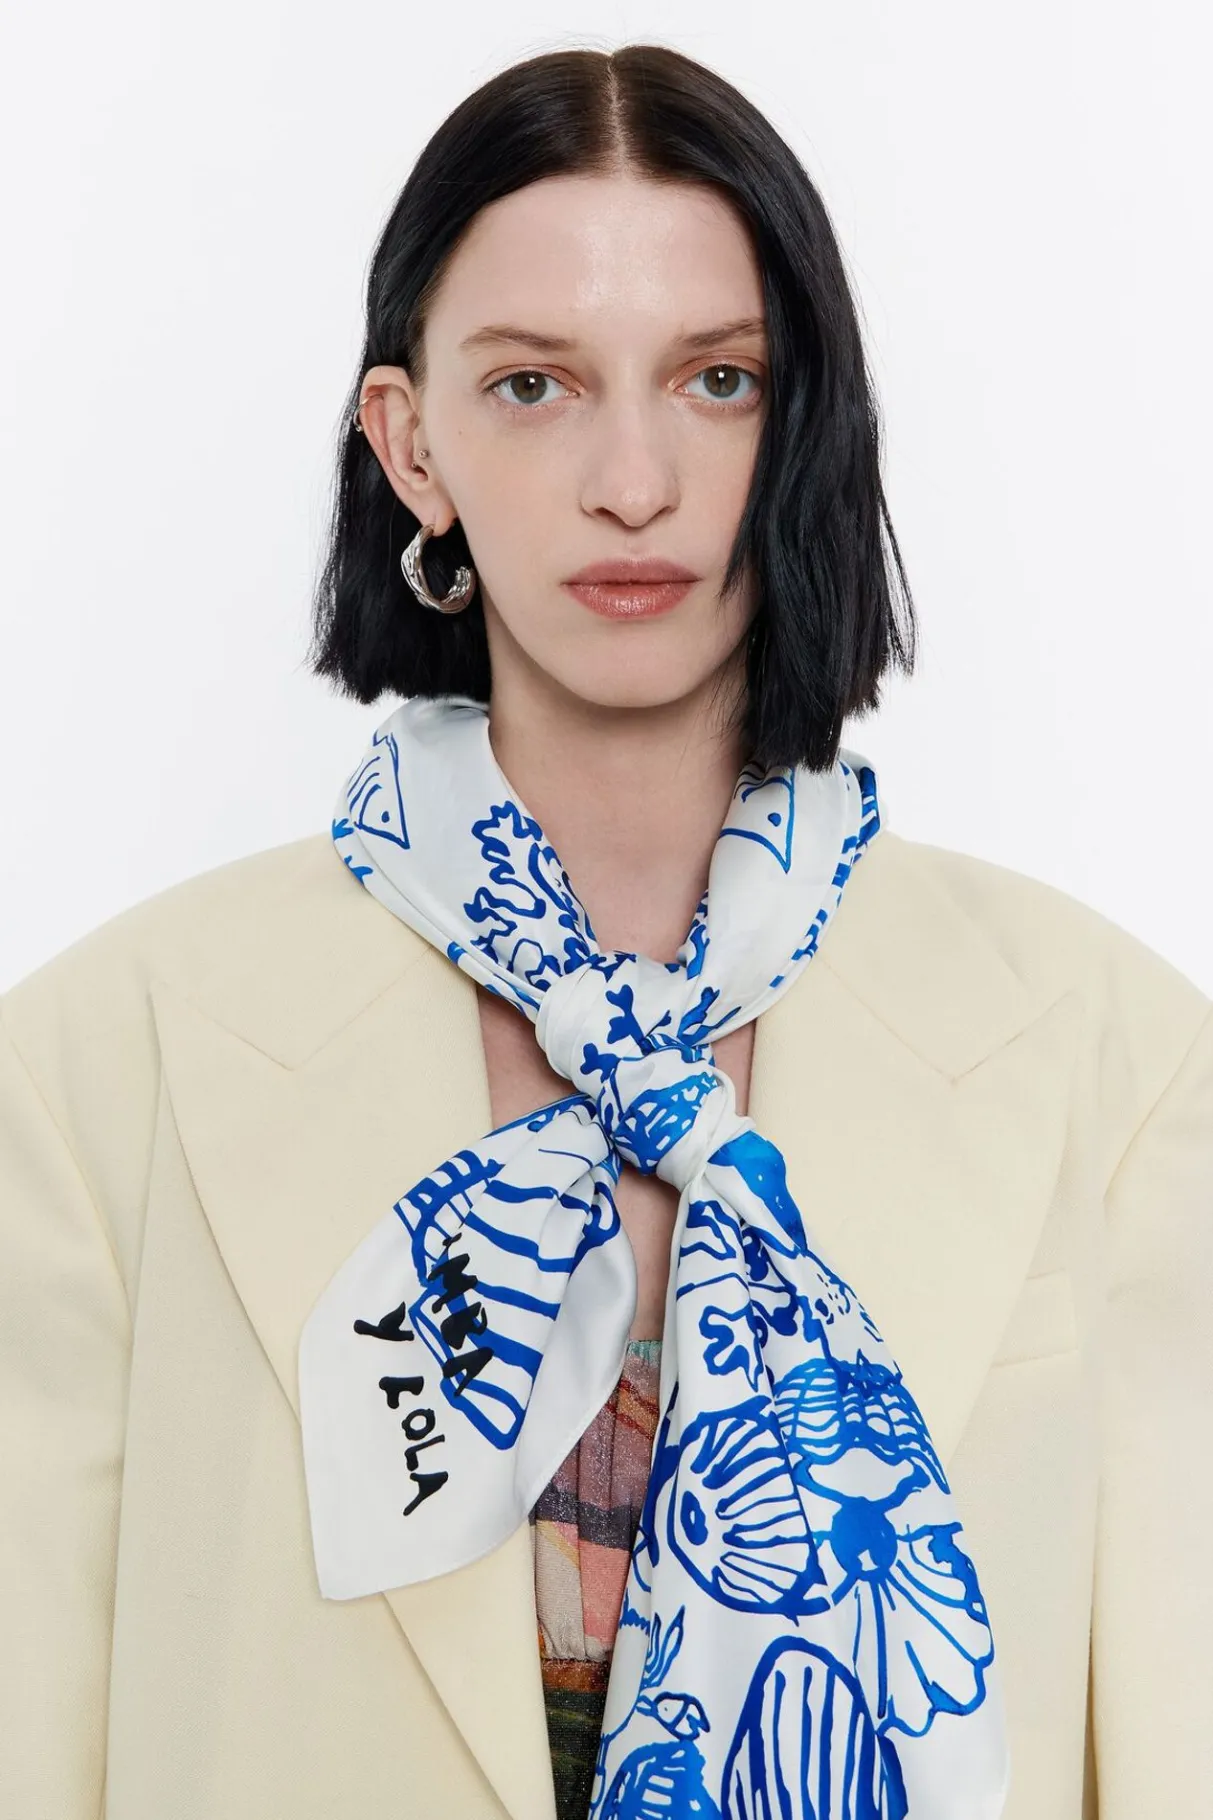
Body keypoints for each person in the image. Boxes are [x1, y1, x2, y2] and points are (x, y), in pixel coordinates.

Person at [1, 39, 1210, 1820]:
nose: (632, 480)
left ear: (803, 426)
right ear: (412, 445)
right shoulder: (101, 1071)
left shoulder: (1119, 1061)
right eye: (533, 386)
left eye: (718, 380)